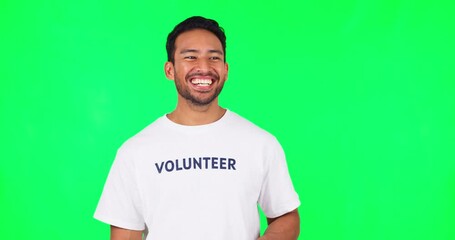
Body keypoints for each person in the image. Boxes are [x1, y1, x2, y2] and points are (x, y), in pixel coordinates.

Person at [94, 16, 300, 240]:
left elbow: (285, 216)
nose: (204, 67)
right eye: (191, 57)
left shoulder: (261, 143)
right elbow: (126, 234)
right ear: (170, 70)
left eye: (214, 58)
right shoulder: (134, 152)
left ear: (226, 69)